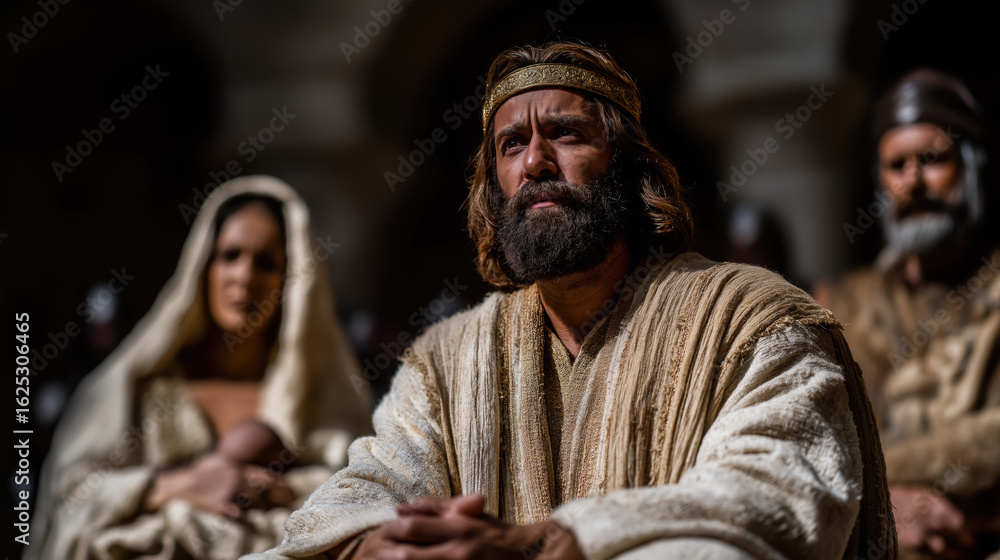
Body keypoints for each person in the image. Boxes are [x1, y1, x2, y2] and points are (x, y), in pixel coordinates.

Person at [249, 41, 895, 560]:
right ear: (493, 186)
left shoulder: (753, 319)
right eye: (511, 145)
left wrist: (550, 539)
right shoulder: (447, 360)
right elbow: (357, 496)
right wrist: (378, 543)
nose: (535, 163)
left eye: (565, 134)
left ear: (627, 164)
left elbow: (782, 498)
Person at [28, 176, 372, 560]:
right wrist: (173, 486)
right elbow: (72, 495)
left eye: (266, 262)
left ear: (291, 282)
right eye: (230, 255)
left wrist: (279, 492)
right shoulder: (138, 389)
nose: (244, 277)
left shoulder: (320, 398)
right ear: (203, 266)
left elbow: (361, 494)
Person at [817, 69, 1000, 559]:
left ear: (972, 167)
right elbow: (808, 441)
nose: (914, 181)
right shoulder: (839, 304)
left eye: (932, 159)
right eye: (897, 166)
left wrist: (872, 479)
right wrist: (883, 506)